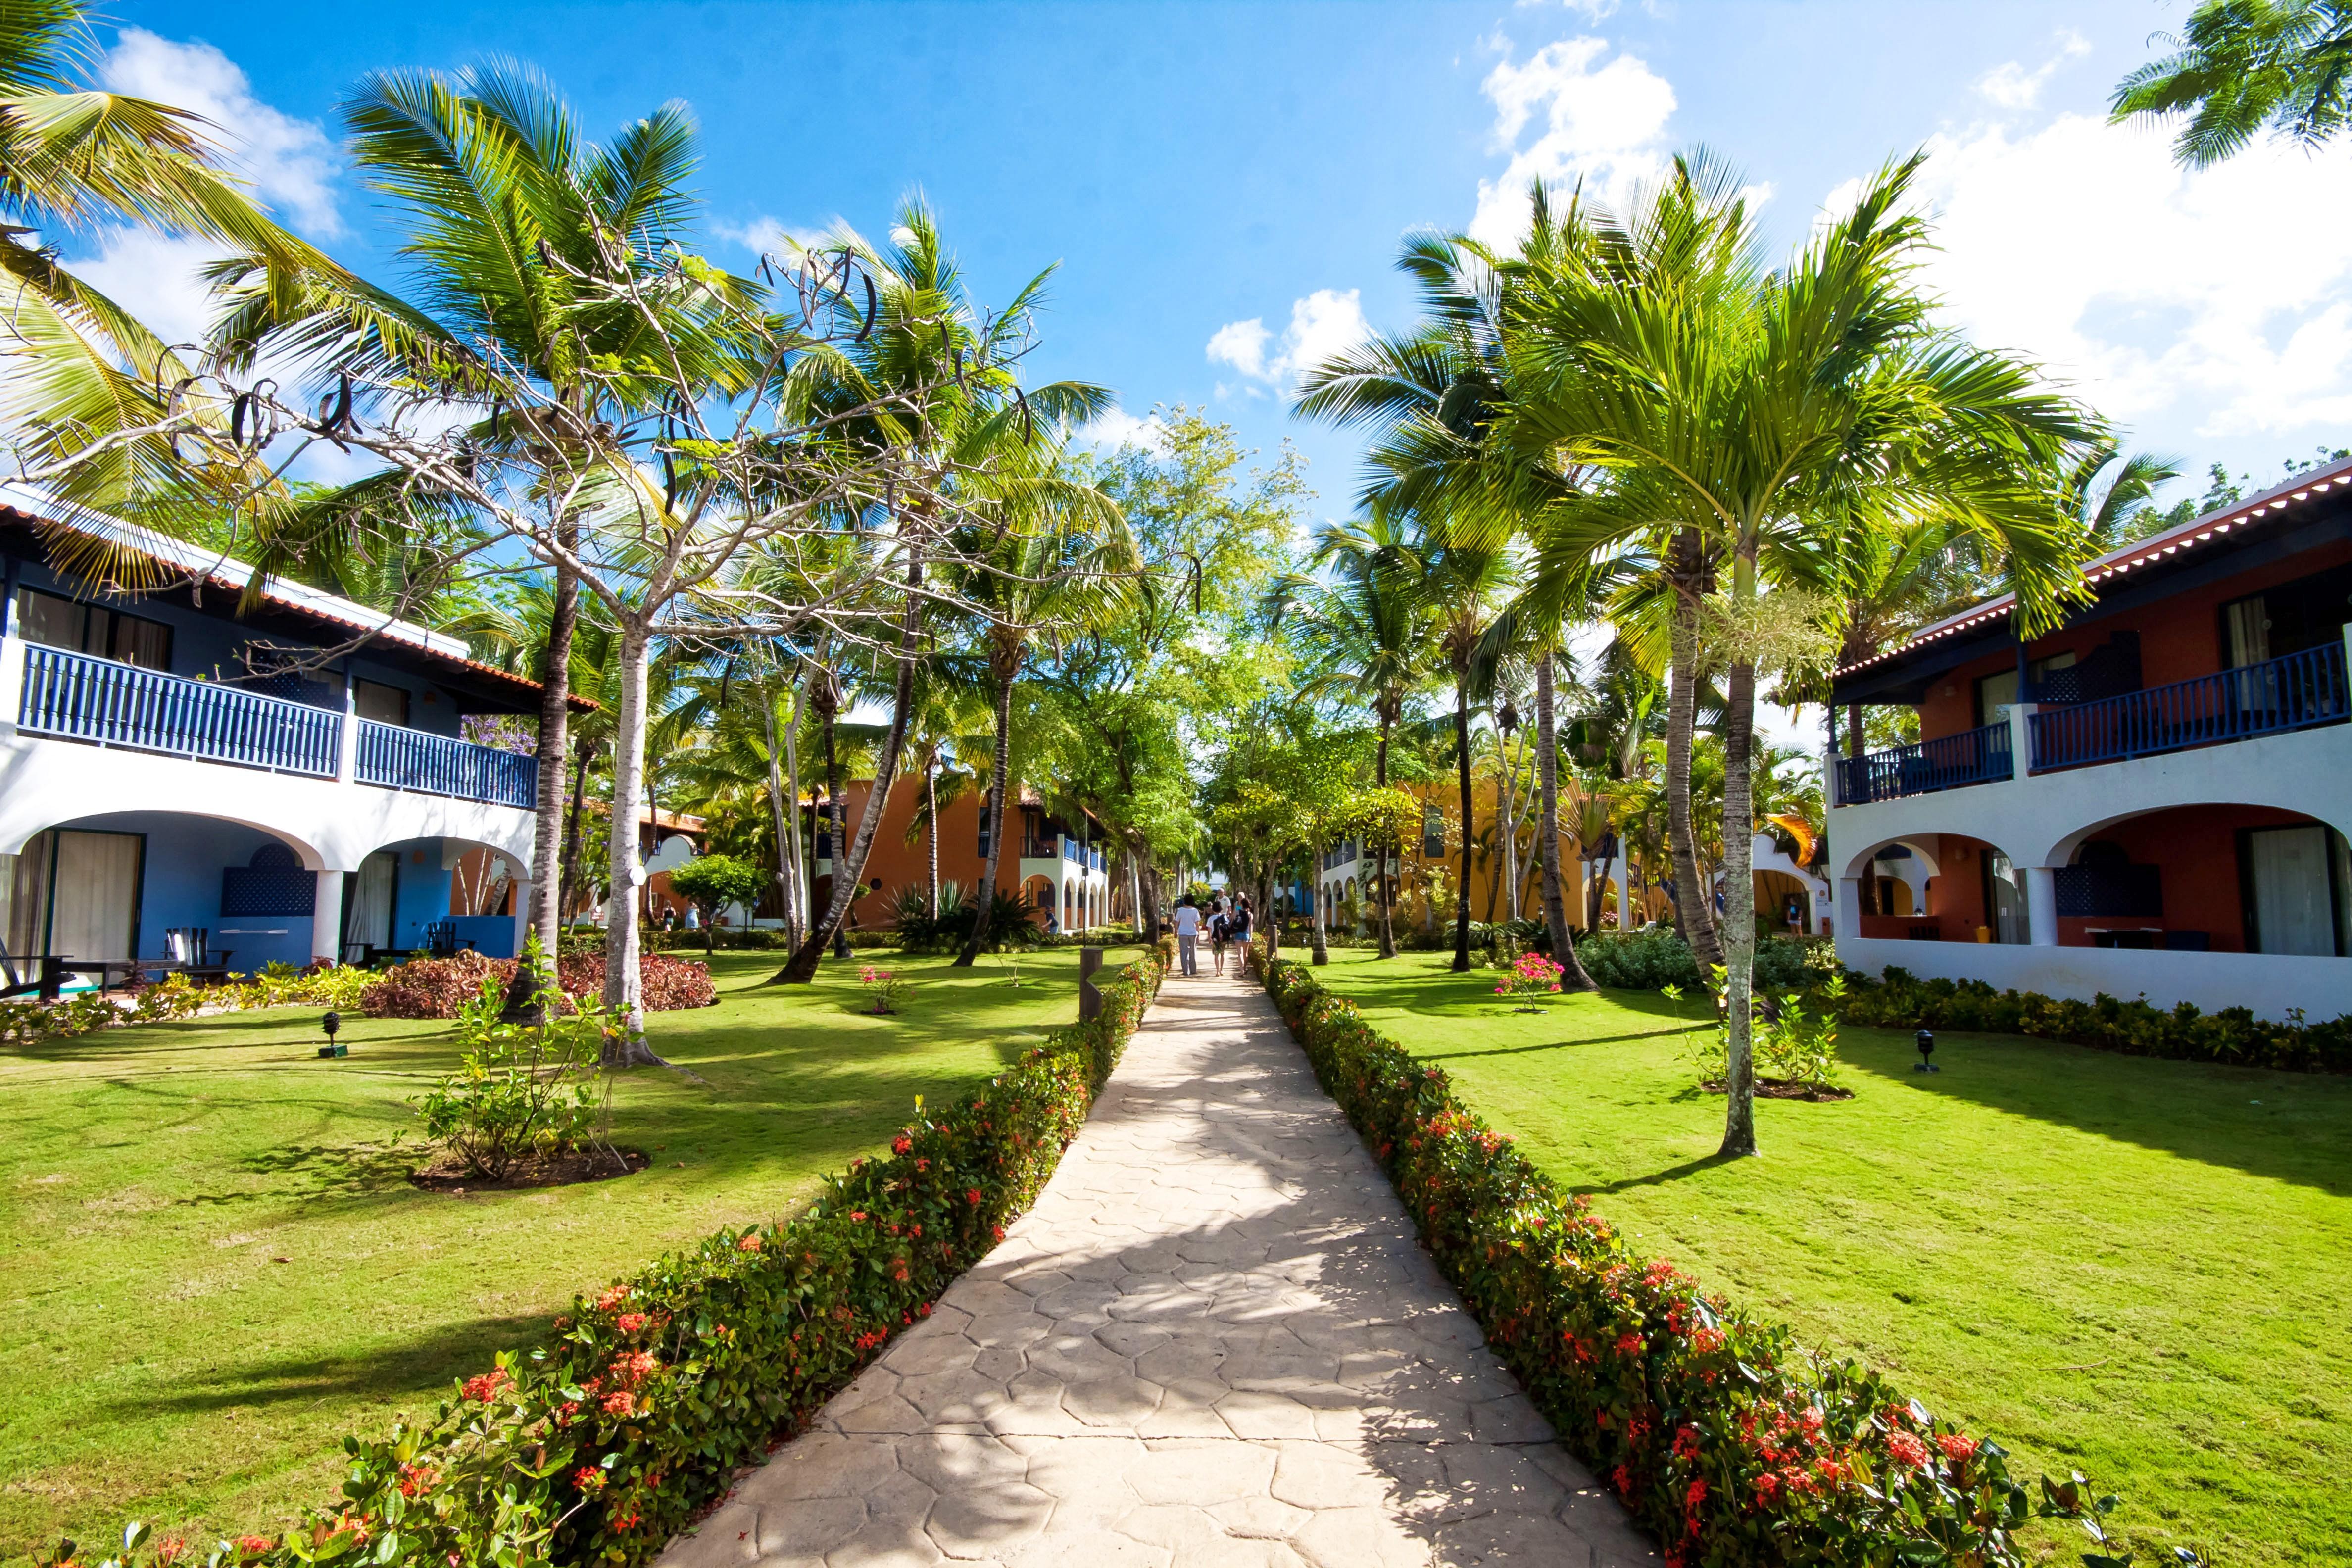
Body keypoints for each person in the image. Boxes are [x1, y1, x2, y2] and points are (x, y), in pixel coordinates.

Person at [1172, 895, 1201, 977]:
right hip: (1193, 934)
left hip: (1183, 934)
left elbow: (1176, 922)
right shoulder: (1195, 911)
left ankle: (1186, 971)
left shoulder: (1180, 910)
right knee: (1193, 952)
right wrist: (1198, 935)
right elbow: (1197, 924)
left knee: (1184, 953)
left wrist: (1176, 932)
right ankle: (1193, 970)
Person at [1208, 904, 1231, 975]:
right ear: (1221, 909)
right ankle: (1222, 969)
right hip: (1223, 938)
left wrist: (1209, 938)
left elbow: (1209, 929)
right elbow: (1228, 925)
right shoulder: (1224, 917)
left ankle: (1217, 971)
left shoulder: (1211, 918)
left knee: (1216, 955)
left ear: (1213, 909)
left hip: (1215, 938)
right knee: (1222, 954)